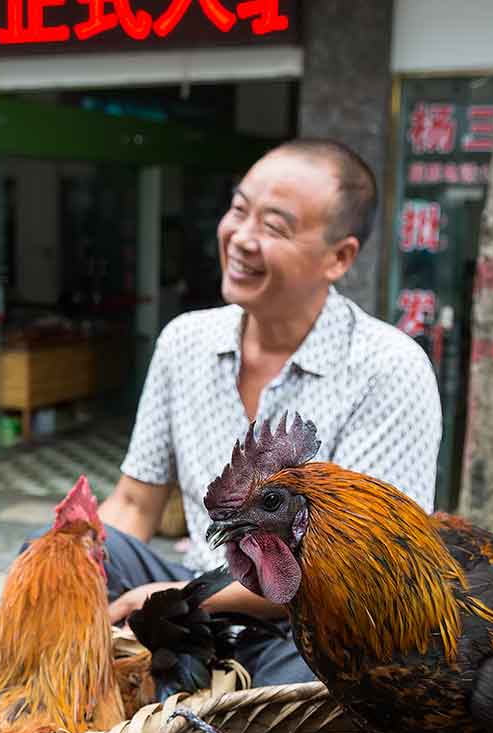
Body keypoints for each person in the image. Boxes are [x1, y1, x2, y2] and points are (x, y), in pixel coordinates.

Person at [79, 139, 442, 686]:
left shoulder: (388, 368)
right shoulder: (185, 341)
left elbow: (361, 576)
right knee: (68, 557)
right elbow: (134, 502)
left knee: (303, 693)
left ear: (338, 258)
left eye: (274, 226)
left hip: (309, 621)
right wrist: (62, 568)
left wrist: (178, 600)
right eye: (239, 209)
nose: (242, 238)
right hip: (203, 584)